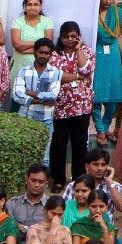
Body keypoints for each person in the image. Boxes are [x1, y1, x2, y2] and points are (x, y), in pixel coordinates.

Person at [49, 22, 96, 184]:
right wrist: (77, 76)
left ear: (79, 37)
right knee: (59, 144)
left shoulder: (86, 51)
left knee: (79, 144)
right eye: (66, 36)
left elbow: (87, 71)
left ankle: (79, 179)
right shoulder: (54, 54)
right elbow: (56, 76)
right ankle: (58, 179)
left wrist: (78, 49)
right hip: (60, 107)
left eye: (73, 36)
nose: (69, 39)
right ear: (60, 37)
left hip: (81, 107)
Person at [13, 38, 61, 167]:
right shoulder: (23, 71)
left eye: (47, 53)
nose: (43, 56)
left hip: (46, 120)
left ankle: (42, 187)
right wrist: (41, 100)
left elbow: (53, 96)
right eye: (41, 52)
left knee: (44, 158)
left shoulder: (55, 72)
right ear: (34, 52)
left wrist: (30, 93)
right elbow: (17, 95)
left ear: (51, 55)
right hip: (25, 118)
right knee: (24, 154)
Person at [94, 0, 122, 145]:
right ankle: (100, 130)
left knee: (114, 94)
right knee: (96, 93)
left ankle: (106, 126)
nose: (107, 1)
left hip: (113, 54)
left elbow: (119, 35)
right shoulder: (91, 12)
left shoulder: (117, 13)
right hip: (97, 53)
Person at [8, 0, 55, 100]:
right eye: (29, 4)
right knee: (19, 97)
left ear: (40, 6)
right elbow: (16, 44)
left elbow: (48, 44)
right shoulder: (17, 21)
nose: (32, 7)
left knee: (39, 97)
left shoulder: (47, 21)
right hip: (19, 65)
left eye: (36, 4)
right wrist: (39, 45)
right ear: (24, 6)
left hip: (41, 66)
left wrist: (23, 48)